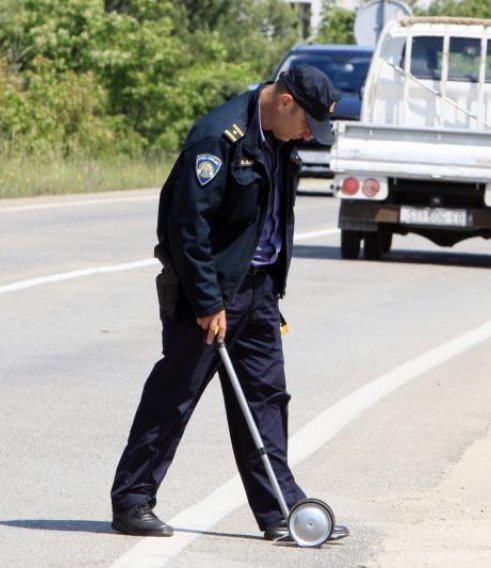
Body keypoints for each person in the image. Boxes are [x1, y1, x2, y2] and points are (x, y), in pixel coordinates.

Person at [110, 65, 349, 542]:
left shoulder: (282, 142)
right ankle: (132, 500)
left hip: (259, 290)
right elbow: (186, 228)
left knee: (266, 400)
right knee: (174, 396)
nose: (308, 135)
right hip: (210, 294)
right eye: (307, 124)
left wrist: (268, 289)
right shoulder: (218, 137)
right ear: (285, 103)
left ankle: (281, 510)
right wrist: (207, 299)